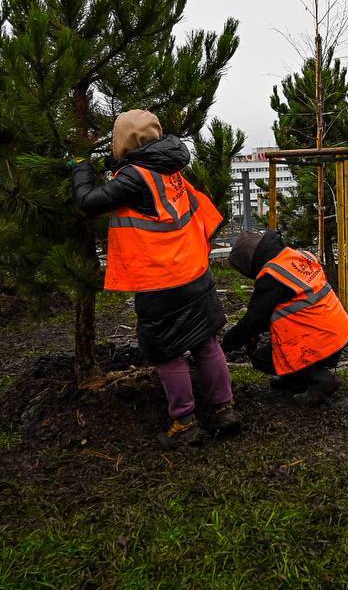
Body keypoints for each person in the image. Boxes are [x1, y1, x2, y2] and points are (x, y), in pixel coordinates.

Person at [71, 110, 240, 448]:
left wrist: (80, 167)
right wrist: (109, 162)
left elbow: (87, 201)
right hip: (195, 271)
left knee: (168, 353)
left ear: (124, 142)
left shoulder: (135, 179)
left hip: (161, 280)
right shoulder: (169, 162)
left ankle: (184, 421)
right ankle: (224, 409)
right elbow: (134, 169)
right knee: (207, 343)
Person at [221, 230, 348, 406]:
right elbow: (295, 304)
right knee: (275, 350)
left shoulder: (272, 275)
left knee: (262, 359)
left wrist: (226, 344)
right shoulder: (298, 256)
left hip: (321, 340)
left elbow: (254, 321)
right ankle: (296, 380)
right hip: (338, 330)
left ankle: (320, 380)